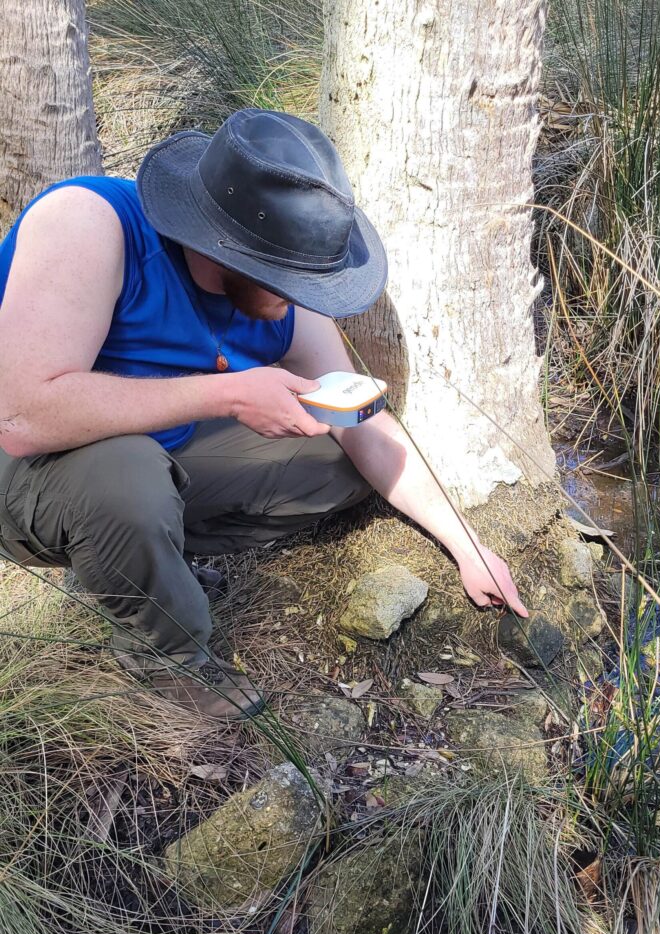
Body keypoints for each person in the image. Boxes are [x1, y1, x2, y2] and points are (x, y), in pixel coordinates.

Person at [0, 109, 528, 721]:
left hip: (157, 453)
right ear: (232, 251)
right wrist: (225, 395)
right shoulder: (91, 223)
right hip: (25, 471)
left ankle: (146, 557)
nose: (300, 301)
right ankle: (169, 660)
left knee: (339, 460)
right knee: (126, 474)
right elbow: (23, 416)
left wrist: (469, 547)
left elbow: (365, 427)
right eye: (288, 281)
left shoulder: (283, 297)